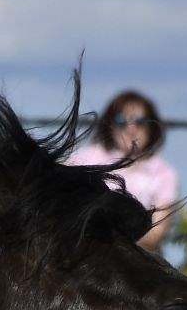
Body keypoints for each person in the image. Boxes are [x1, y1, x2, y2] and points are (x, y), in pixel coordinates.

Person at [66, 88, 178, 250]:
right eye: (121, 121)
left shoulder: (164, 173)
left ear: (152, 127)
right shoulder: (84, 158)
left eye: (140, 122)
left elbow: (157, 233)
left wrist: (108, 239)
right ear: (110, 126)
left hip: (134, 259)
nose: (131, 129)